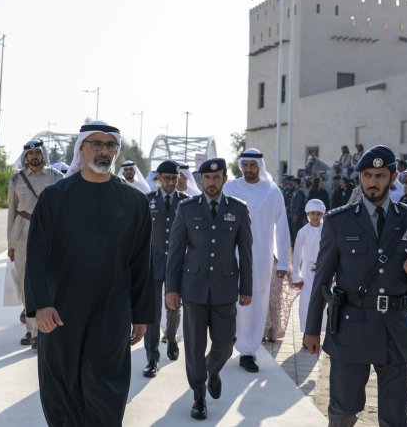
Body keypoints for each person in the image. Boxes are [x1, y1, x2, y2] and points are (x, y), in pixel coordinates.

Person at [25, 122, 153, 426]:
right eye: (96, 144)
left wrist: (141, 314)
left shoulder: (134, 203)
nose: (104, 151)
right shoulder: (55, 198)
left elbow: (140, 263)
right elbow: (37, 255)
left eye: (110, 145)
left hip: (111, 312)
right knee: (61, 391)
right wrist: (40, 305)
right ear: (81, 148)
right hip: (60, 312)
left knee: (106, 391)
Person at [304, 145, 407, 427]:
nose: (372, 182)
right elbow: (322, 279)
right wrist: (312, 329)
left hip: (396, 328)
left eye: (380, 176)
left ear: (393, 177)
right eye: (367, 175)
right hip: (351, 328)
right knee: (344, 410)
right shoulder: (338, 221)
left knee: (395, 416)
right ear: (359, 177)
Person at [166, 157, 253, 420]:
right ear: (201, 179)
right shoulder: (187, 208)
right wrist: (172, 288)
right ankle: (198, 396)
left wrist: (246, 287)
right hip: (193, 288)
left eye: (216, 178)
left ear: (225, 179)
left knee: (226, 344)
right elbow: (176, 251)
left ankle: (211, 370)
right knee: (193, 345)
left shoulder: (238, 209)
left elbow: (246, 252)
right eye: (207, 178)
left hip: (225, 288)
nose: (211, 182)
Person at [222, 148, 291, 372]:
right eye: (245, 165)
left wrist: (282, 262)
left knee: (256, 301)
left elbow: (282, 228)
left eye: (253, 165)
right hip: (231, 254)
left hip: (260, 255)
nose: (249, 169)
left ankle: (248, 350)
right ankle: (228, 339)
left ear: (259, 166)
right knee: (230, 298)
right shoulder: (230, 188)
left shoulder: (272, 191)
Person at [7, 139, 64, 347]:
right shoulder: (16, 179)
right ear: (25, 157)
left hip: (50, 235)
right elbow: (11, 213)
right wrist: (10, 245)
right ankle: (31, 330)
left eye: (37, 153)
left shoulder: (57, 177)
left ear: (43, 154)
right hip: (23, 235)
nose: (34, 157)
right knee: (25, 282)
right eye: (30, 154)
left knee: (48, 280)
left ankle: (44, 329)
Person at [142, 160, 188, 378]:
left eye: (174, 178)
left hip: (177, 265)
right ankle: (152, 357)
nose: (170, 182)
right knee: (151, 311)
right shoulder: (147, 201)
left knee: (173, 308)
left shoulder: (187, 203)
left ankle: (170, 339)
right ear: (158, 178)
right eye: (166, 178)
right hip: (152, 263)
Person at [292, 199, 327, 337]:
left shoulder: (327, 230)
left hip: (324, 270)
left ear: (322, 214)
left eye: (318, 213)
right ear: (307, 213)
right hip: (307, 271)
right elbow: (296, 255)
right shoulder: (303, 232)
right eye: (312, 213)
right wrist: (296, 276)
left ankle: (319, 332)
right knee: (307, 303)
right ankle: (307, 333)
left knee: (323, 303)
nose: (315, 216)